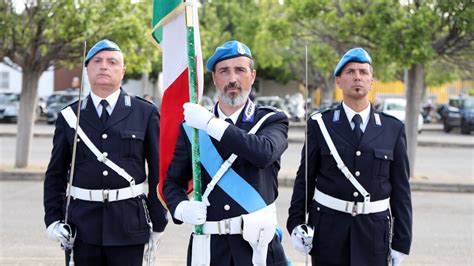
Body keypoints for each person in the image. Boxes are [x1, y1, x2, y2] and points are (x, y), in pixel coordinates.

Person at [163, 40, 289, 265]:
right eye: (224, 71)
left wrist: (211, 124)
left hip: (258, 248)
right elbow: (172, 182)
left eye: (240, 70)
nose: (232, 79)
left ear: (252, 75)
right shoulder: (192, 128)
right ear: (214, 79)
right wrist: (181, 208)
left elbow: (264, 153)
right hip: (210, 248)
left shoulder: (271, 119)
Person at [43, 39, 168, 265]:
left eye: (112, 62)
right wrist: (53, 219)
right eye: (97, 61)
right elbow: (55, 174)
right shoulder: (70, 117)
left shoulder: (145, 113)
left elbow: (159, 172)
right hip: (81, 227)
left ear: (123, 71)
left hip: (130, 224)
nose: (104, 66)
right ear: (87, 69)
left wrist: (157, 221)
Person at [287, 48, 412, 266]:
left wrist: (402, 241)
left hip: (374, 233)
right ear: (338, 81)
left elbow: (401, 189)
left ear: (372, 81)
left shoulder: (393, 129)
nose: (357, 77)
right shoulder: (320, 125)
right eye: (350, 72)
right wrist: (296, 223)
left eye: (364, 72)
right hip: (328, 232)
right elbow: (305, 179)